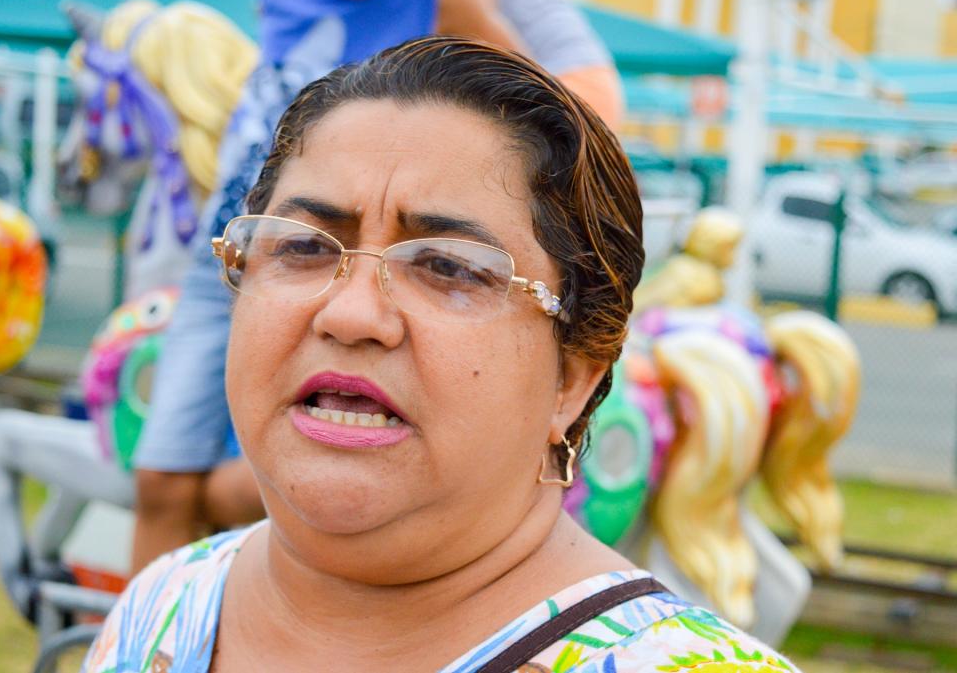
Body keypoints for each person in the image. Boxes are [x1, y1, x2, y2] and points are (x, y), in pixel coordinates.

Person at [83, 37, 798, 673]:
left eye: (450, 266)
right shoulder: (163, 606)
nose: (351, 313)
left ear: (575, 376)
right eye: (301, 246)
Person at [132, 0, 626, 571]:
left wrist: (464, 15)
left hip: (392, 254)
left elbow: (594, 123)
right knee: (162, 479)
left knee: (295, 480)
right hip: (252, 247)